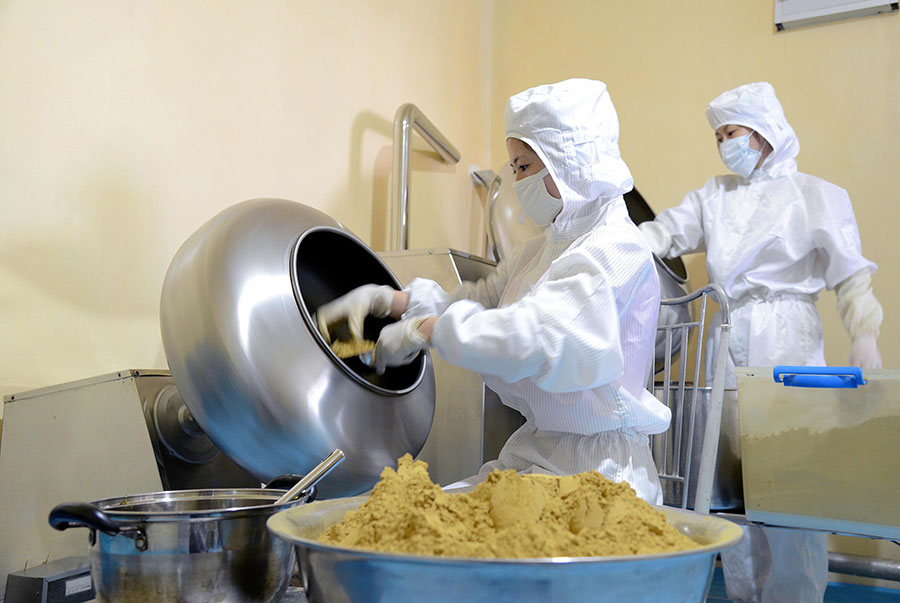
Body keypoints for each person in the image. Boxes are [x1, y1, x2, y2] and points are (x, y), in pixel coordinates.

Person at [317, 78, 671, 504]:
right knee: (433, 512)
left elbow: (535, 334)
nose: (518, 181)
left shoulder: (616, 247)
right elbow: (483, 301)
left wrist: (424, 331)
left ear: (568, 160)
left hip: (601, 473)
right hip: (536, 453)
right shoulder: (542, 249)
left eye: (523, 166)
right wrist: (393, 301)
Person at [638, 82, 884, 602]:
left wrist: (865, 332)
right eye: (718, 137)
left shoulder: (815, 194)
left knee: (792, 482)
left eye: (731, 133)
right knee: (729, 485)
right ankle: (745, 594)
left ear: (764, 132)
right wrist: (614, 247)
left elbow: (850, 275)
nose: (724, 145)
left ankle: (794, 596)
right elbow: (663, 234)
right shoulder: (714, 195)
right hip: (727, 337)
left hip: (788, 337)